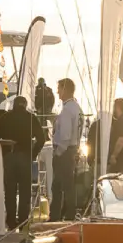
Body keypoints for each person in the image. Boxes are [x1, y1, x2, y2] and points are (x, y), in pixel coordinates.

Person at [0, 95, 38, 228]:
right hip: (25, 157)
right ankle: (23, 222)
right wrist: (33, 154)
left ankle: (11, 222)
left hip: (9, 157)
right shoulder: (31, 118)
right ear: (25, 105)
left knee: (10, 191)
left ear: (14, 104)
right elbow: (41, 138)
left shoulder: (5, 118)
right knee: (25, 191)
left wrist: (3, 153)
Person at [49, 78, 82, 220]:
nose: (57, 92)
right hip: (72, 149)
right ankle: (68, 214)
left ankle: (56, 216)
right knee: (68, 185)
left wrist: (58, 152)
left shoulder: (67, 110)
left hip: (65, 152)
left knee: (57, 186)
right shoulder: (77, 107)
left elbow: (65, 135)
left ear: (65, 89)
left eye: (59, 88)